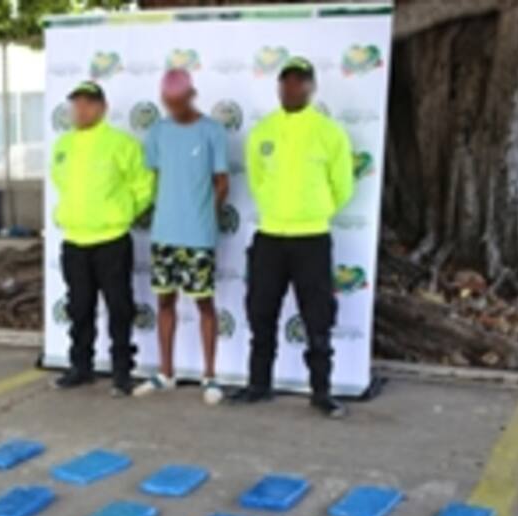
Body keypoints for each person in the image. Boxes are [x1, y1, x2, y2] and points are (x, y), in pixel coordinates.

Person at [226, 56, 354, 418]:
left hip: (311, 237)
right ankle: (259, 385)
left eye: (298, 83)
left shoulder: (329, 133)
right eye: (285, 83)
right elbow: (257, 178)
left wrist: (316, 209)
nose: (291, 89)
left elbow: (342, 186)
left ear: (311, 88)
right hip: (269, 236)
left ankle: (321, 392)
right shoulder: (264, 130)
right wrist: (275, 208)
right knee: (260, 310)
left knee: (317, 317)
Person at [51, 80, 155, 396]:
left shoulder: (122, 144)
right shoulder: (63, 146)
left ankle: (122, 372)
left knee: (119, 307)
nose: (81, 110)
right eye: (76, 104)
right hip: (74, 240)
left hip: (111, 239)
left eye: (88, 103)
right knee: (79, 307)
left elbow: (144, 186)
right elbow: (62, 186)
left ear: (102, 108)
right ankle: (81, 367)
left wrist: (122, 212)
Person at [134, 68, 229, 405]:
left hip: (198, 236)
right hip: (164, 233)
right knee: (164, 301)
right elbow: (154, 178)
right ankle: (166, 372)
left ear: (191, 95)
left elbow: (222, 182)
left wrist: (206, 214)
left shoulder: (212, 131)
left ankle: (210, 376)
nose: (173, 108)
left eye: (178, 101)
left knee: (204, 303)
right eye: (167, 102)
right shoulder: (158, 132)